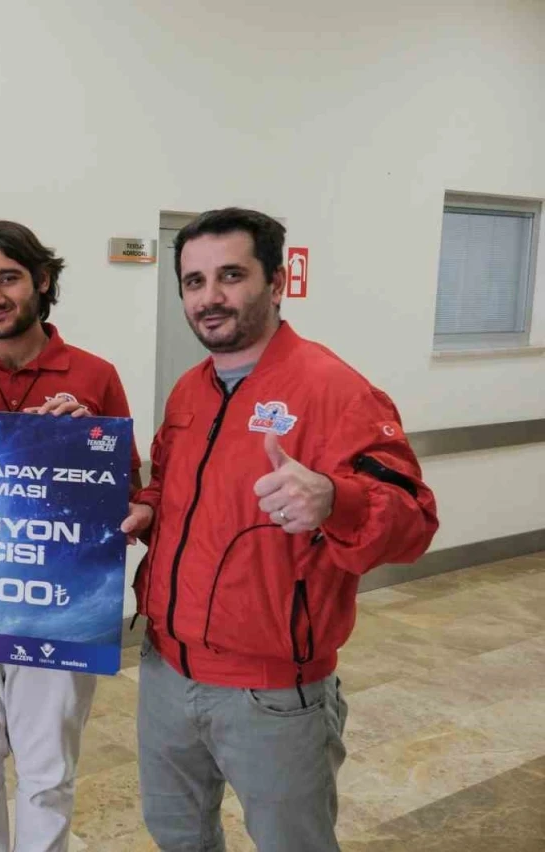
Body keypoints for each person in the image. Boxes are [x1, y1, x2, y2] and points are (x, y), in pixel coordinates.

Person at [120, 207, 439, 852]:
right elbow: (172, 487)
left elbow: (414, 522)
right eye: (194, 281)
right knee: (177, 835)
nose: (210, 297)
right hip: (165, 672)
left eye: (231, 275)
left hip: (272, 695)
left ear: (277, 281)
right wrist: (149, 509)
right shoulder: (189, 391)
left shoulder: (336, 391)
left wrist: (336, 501)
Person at [0, 220, 143, 852]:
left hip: (58, 608)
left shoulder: (94, 375)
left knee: (47, 777)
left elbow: (130, 492)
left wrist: (86, 440)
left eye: (7, 279)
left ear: (41, 279)